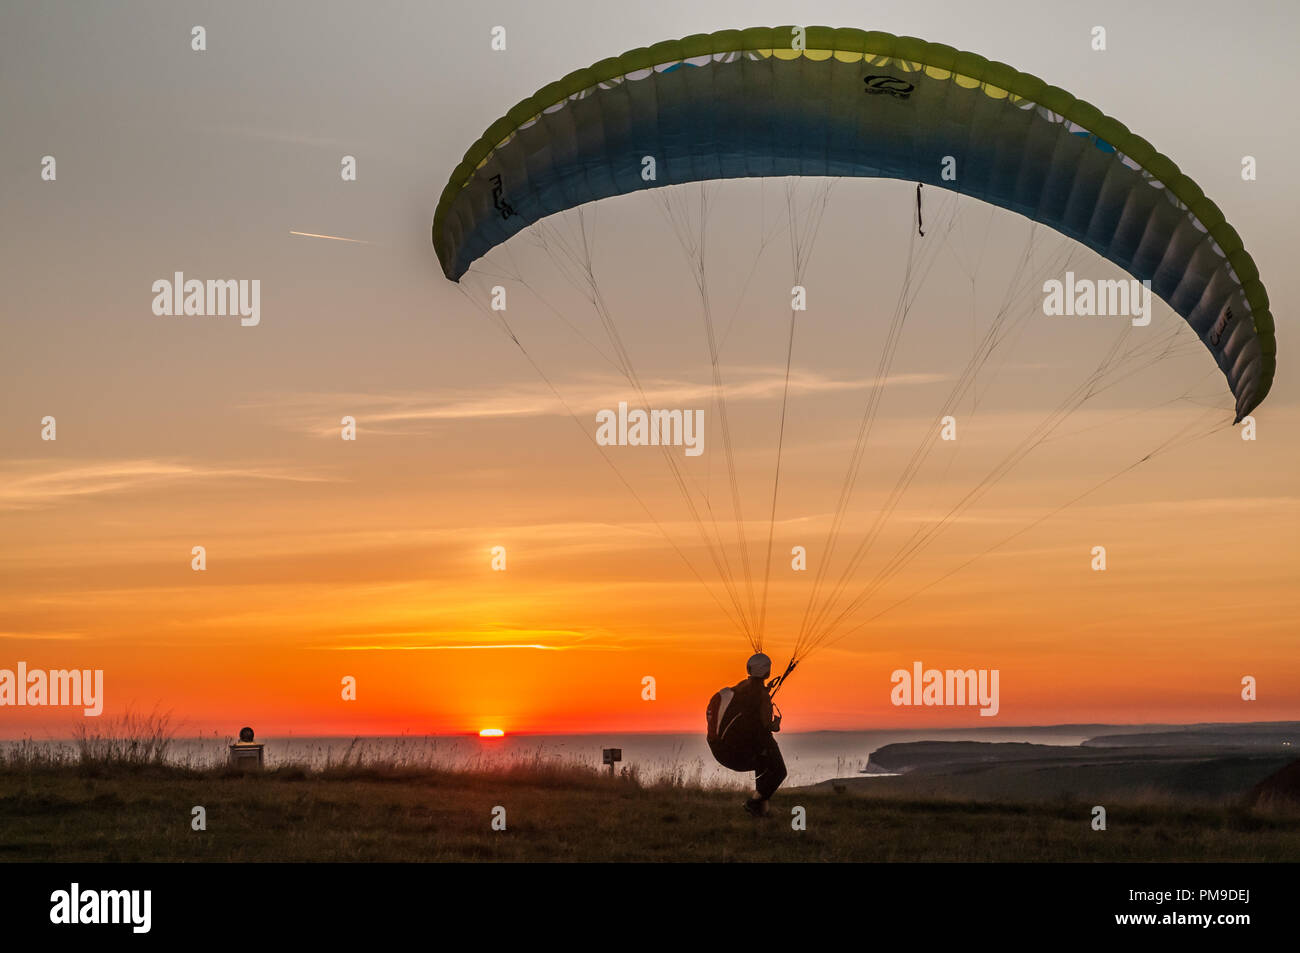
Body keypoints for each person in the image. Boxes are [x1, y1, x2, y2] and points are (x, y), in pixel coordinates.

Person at [729, 653, 787, 817]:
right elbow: (766, 724)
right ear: (766, 672)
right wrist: (776, 725)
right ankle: (753, 804)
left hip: (747, 740)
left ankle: (761, 811)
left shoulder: (743, 686)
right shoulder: (761, 694)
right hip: (762, 740)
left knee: (762, 771)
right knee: (780, 772)